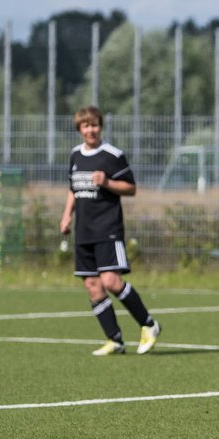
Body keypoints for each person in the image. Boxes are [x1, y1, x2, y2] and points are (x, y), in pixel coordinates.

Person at [59, 105, 162, 356]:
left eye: (94, 125)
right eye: (86, 126)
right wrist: (66, 216)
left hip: (107, 229)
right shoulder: (75, 155)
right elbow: (73, 188)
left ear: (100, 127)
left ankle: (149, 325)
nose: (91, 130)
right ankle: (114, 340)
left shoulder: (112, 155)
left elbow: (131, 188)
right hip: (83, 231)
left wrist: (107, 182)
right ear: (79, 130)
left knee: (111, 281)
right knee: (93, 285)